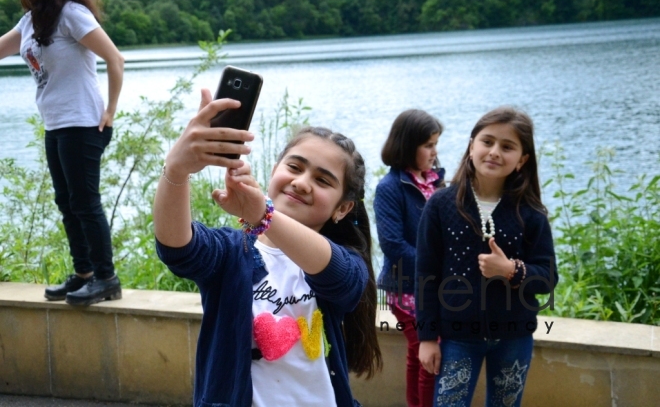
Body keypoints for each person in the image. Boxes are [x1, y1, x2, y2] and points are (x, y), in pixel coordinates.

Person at [153, 90, 382, 407]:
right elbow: (177, 247)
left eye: (323, 180)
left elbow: (340, 276)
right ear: (275, 169)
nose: (302, 182)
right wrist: (177, 168)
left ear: (342, 209)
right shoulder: (232, 253)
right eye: (295, 166)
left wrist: (263, 216)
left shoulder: (344, 262)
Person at [415, 107, 557, 407]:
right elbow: (426, 274)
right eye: (487, 141)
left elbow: (547, 277)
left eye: (507, 147)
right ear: (471, 146)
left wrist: (510, 270)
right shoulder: (441, 205)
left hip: (514, 337)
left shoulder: (531, 214)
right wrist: (427, 337)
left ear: (522, 160)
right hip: (457, 337)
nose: (494, 152)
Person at [0, 0, 125, 305]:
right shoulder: (31, 22)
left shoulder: (72, 14)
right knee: (67, 204)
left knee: (85, 203)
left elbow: (115, 59)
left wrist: (109, 111)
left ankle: (106, 278)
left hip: (84, 123)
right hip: (55, 126)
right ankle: (84, 273)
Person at [374, 109, 445, 407]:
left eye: (436, 144)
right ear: (407, 146)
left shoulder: (436, 182)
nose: (434, 151)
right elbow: (392, 244)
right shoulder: (390, 188)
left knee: (418, 354)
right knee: (430, 353)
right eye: (428, 145)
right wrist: (437, 269)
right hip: (406, 286)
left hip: (436, 285)